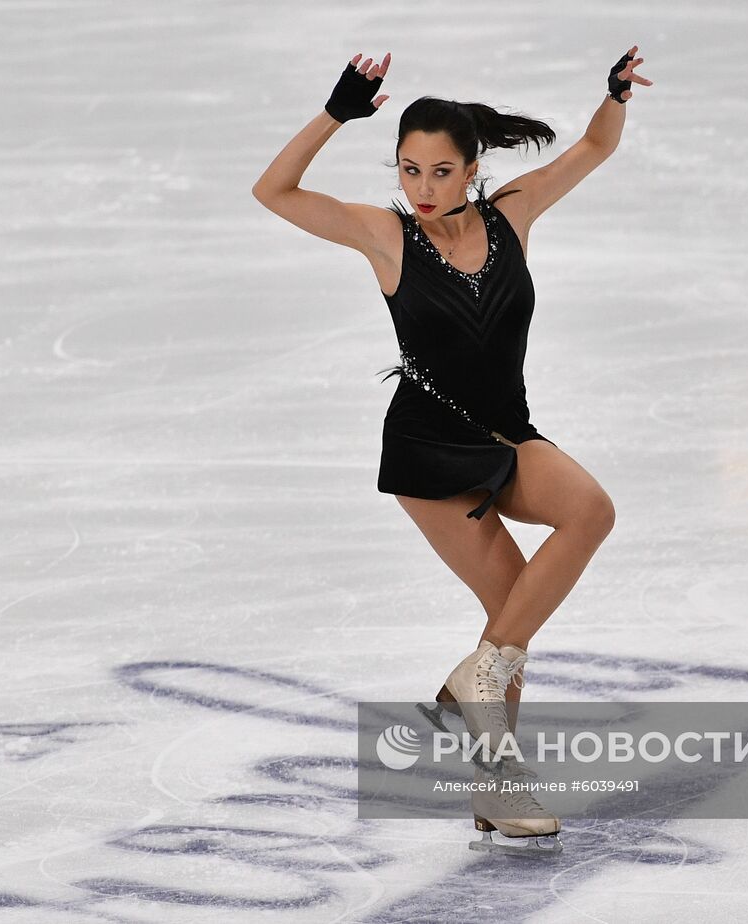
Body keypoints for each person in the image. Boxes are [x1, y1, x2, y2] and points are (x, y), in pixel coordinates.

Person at [252, 48, 652, 854]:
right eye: (408, 171)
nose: (423, 189)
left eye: (440, 171)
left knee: (587, 516)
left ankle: (486, 681)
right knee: (509, 618)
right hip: (430, 452)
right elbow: (274, 193)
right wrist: (336, 112)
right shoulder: (386, 237)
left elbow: (596, 147)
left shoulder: (513, 214)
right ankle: (499, 789)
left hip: (507, 432)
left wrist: (612, 97)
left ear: (472, 169)